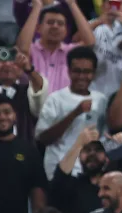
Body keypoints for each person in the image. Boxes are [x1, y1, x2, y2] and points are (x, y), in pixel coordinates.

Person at [35, 46, 107, 181]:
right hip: (59, 170)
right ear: (68, 71)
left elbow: (103, 138)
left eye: (87, 72)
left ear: (94, 73)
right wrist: (75, 113)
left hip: (89, 171)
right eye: (77, 71)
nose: (81, 76)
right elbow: (43, 139)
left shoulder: (101, 99)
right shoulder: (55, 99)